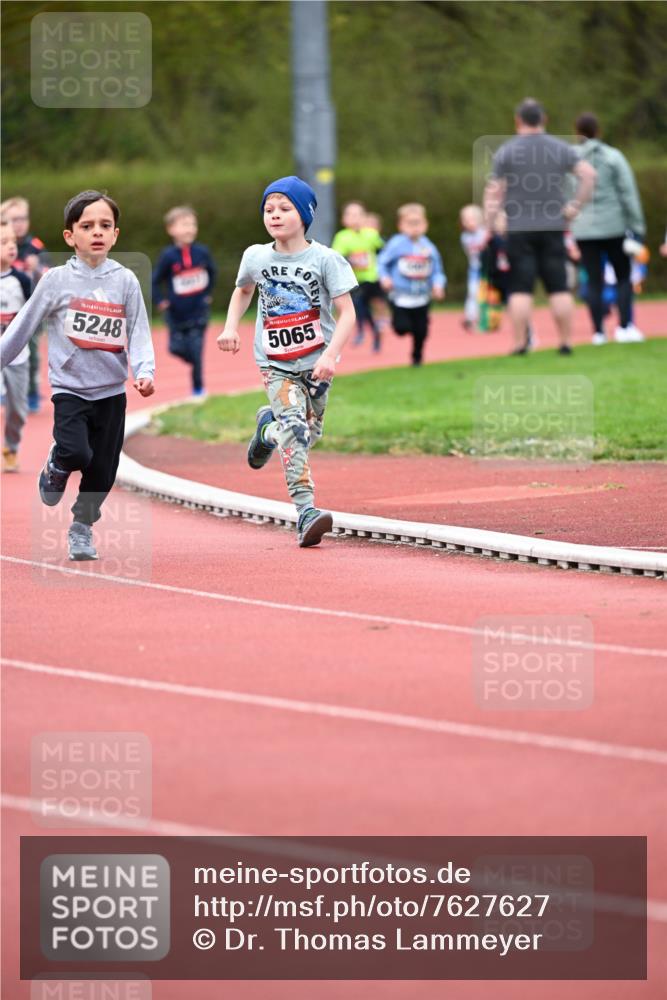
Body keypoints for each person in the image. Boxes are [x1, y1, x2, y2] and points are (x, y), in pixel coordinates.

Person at [0, 190, 155, 561]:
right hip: (70, 388)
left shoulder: (126, 282)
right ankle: (57, 462)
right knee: (74, 450)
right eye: (87, 226)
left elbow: (138, 332)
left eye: (105, 226)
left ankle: (81, 528)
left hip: (111, 392)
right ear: (70, 236)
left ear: (116, 234)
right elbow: (24, 325)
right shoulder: (55, 281)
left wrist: (145, 371)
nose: (97, 232)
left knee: (102, 471)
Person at [217, 176, 357, 548]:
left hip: (316, 363)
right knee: (295, 430)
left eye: (284, 208)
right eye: (268, 209)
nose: (274, 215)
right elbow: (243, 290)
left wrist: (330, 355)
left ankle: (267, 430)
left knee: (309, 435)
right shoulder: (256, 256)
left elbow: (347, 314)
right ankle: (306, 511)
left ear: (305, 214)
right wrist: (231, 327)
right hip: (274, 362)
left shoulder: (327, 260)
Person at [484, 97, 596, 355]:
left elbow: (494, 191)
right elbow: (589, 175)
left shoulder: (507, 151)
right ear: (544, 119)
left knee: (520, 288)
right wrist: (574, 207)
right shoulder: (560, 148)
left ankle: (520, 343)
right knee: (558, 287)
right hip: (554, 226)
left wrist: (492, 223)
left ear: (517, 121)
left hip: (518, 227)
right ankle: (566, 342)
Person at [572, 112, 646, 345]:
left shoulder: (570, 160)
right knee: (623, 277)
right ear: (598, 130)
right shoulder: (613, 157)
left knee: (594, 281)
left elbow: (564, 194)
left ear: (577, 132)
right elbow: (628, 193)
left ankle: (598, 332)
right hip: (614, 226)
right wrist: (637, 227)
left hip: (583, 229)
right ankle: (624, 327)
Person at [152, 206, 216, 397]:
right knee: (175, 348)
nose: (189, 229)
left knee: (197, 351)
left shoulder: (202, 252)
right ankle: (191, 359)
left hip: (199, 311)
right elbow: (155, 281)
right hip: (176, 314)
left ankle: (198, 390)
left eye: (192, 225)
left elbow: (212, 272)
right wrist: (161, 301)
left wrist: (208, 293)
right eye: (184, 225)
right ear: (171, 229)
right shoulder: (168, 256)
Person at [377, 202, 446, 366]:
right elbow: (382, 263)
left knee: (421, 330)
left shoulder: (429, 247)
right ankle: (398, 323)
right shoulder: (396, 244)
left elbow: (437, 270)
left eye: (418, 223)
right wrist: (385, 278)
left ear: (425, 224)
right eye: (410, 223)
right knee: (402, 328)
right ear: (401, 225)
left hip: (422, 296)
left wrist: (438, 285)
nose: (415, 227)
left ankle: (417, 357)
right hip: (400, 296)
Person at [0, 195, 50, 412]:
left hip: (28, 312)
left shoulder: (35, 247)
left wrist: (37, 267)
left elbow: (49, 277)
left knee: (28, 353)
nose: (19, 223)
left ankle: (30, 392)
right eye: (14, 219)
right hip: (4, 311)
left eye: (23, 218)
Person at [332, 201, 385, 351]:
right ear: (344, 219)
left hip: (371, 278)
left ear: (364, 218)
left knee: (370, 306)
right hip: (353, 280)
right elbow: (338, 257)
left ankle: (373, 331)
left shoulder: (371, 234)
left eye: (358, 215)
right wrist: (350, 260)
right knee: (360, 306)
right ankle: (367, 331)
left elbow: (382, 248)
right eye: (350, 214)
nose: (354, 218)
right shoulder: (341, 237)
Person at [0, 221, 32, 472]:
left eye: (12, 242)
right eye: (3, 242)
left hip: (17, 356)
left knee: (18, 410)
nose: (11, 247)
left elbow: (35, 310)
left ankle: (11, 445)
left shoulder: (21, 279)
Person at [459, 204, 488, 331]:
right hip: (475, 269)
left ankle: (489, 317)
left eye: (471, 219)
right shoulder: (465, 237)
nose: (468, 223)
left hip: (488, 269)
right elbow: (479, 247)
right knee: (473, 293)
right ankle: (470, 318)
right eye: (465, 220)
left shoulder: (485, 232)